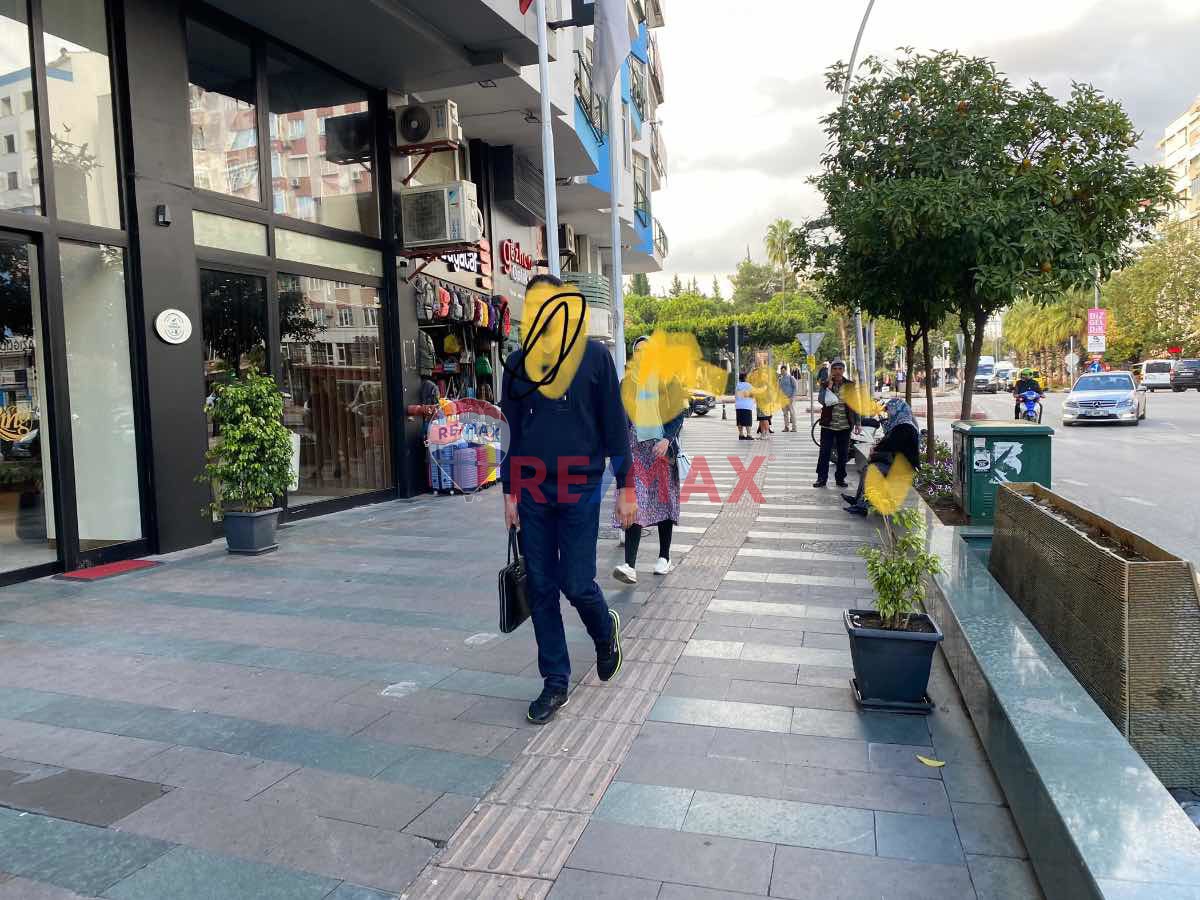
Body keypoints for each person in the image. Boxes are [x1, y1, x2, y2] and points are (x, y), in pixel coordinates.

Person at [501, 274, 635, 725]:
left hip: (581, 487)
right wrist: (509, 493)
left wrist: (627, 487)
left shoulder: (595, 357)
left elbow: (615, 426)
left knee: (576, 583)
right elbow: (511, 435)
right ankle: (555, 681)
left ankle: (604, 630)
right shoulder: (517, 364)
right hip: (533, 491)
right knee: (541, 586)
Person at [612, 336, 685, 584]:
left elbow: (679, 412)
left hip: (660, 449)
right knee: (634, 499)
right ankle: (630, 565)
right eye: (638, 351)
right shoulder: (627, 382)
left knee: (663, 501)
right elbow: (619, 416)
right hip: (635, 449)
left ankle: (664, 556)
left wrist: (667, 439)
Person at [844, 398, 920, 516]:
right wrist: (876, 450)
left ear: (896, 410)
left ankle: (862, 506)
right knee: (867, 469)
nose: (887, 413)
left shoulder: (905, 427)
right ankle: (859, 500)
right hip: (895, 462)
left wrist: (875, 452)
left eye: (889, 410)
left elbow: (891, 446)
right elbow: (888, 443)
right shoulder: (900, 424)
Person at [813, 358, 858, 489]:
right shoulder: (825, 384)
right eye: (835, 369)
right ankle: (821, 478)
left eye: (840, 369)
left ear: (843, 370)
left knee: (843, 454)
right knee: (824, 453)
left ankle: (840, 478)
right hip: (828, 425)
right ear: (831, 370)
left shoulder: (850, 385)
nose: (837, 371)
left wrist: (858, 423)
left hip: (845, 425)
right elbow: (821, 400)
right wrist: (829, 387)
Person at [734, 371, 755, 440]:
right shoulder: (749, 385)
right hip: (747, 406)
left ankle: (741, 434)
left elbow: (736, 395)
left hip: (738, 405)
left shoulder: (738, 385)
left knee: (740, 421)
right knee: (747, 421)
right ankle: (749, 434)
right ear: (745, 378)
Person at [778, 364, 798, 432]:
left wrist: (793, 397)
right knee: (785, 414)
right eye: (781, 371)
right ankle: (786, 427)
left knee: (792, 413)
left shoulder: (791, 377)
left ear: (786, 370)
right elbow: (779, 388)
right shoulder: (780, 379)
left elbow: (795, 387)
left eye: (784, 371)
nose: (782, 372)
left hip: (790, 398)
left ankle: (794, 427)